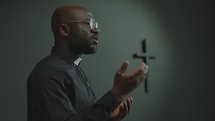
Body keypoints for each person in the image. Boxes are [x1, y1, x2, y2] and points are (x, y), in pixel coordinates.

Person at [27, 4, 148, 121]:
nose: (96, 30)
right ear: (64, 30)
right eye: (88, 23)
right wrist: (117, 92)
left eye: (96, 24)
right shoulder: (48, 73)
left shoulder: (73, 68)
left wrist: (108, 118)